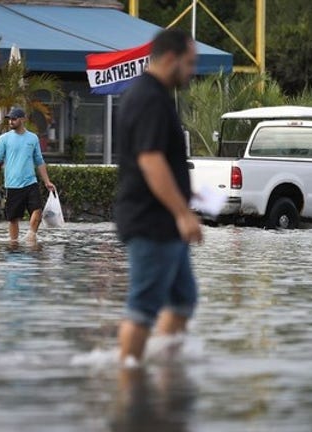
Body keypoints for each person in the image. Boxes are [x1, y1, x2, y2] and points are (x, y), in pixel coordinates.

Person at [114, 29, 203, 364]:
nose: (193, 71)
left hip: (163, 220)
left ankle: (166, 375)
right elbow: (150, 161)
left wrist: (186, 192)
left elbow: (159, 161)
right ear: (170, 58)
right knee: (143, 306)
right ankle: (128, 383)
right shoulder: (149, 98)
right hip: (151, 220)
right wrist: (183, 213)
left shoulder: (155, 95)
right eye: (190, 63)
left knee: (182, 301)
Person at [0, 108, 55, 243]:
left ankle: (31, 237)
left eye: (14, 119)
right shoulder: (4, 139)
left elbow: (39, 161)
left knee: (37, 211)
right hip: (12, 184)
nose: (11, 122)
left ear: (23, 119)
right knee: (13, 219)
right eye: (10, 119)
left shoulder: (33, 138)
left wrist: (47, 181)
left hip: (31, 182)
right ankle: (14, 244)